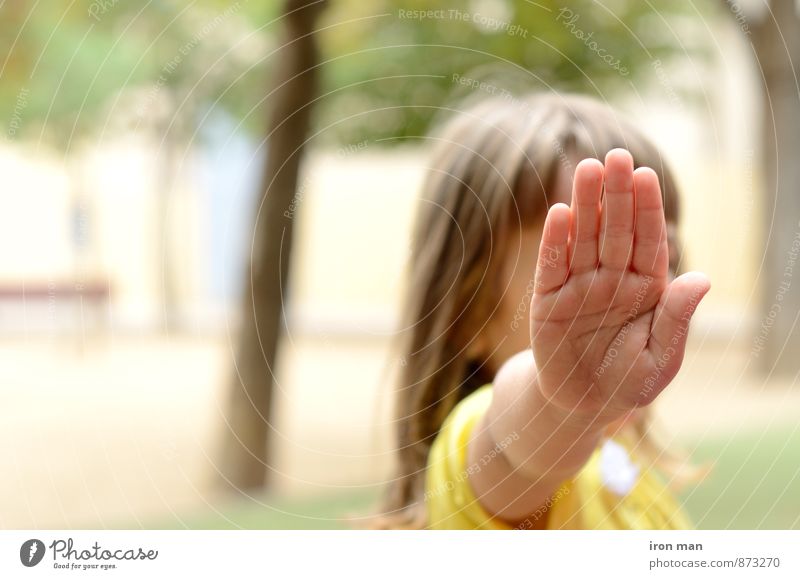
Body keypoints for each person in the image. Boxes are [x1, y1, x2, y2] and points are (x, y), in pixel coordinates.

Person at [379, 92, 710, 529]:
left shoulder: (630, 474)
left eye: (652, 251)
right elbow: (517, 452)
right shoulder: (474, 463)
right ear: (468, 313)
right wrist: (564, 408)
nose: (636, 294)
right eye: (583, 263)